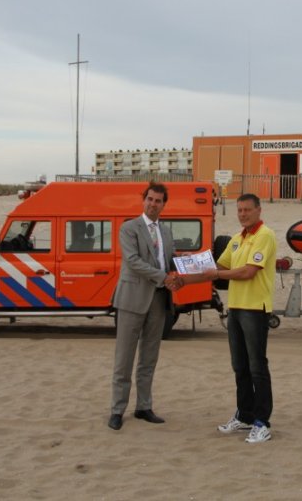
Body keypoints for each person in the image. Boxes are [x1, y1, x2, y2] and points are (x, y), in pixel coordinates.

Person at [183, 193, 277, 443]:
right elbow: (217, 268)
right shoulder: (236, 240)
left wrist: (214, 273)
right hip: (235, 308)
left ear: (259, 210)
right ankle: (245, 415)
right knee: (240, 366)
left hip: (255, 309)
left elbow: (248, 272)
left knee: (257, 367)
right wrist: (183, 277)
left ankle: (262, 422)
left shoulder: (264, 236)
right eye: (240, 210)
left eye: (247, 210)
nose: (243, 214)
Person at [108, 182, 179, 431]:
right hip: (132, 299)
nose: (153, 204)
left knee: (149, 358)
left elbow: (170, 260)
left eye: (158, 201)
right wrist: (164, 277)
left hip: (159, 302)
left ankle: (144, 406)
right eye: (150, 199)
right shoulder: (129, 228)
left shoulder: (167, 232)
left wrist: (185, 271)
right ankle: (117, 410)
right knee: (124, 358)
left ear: (163, 204)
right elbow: (134, 261)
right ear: (143, 200)